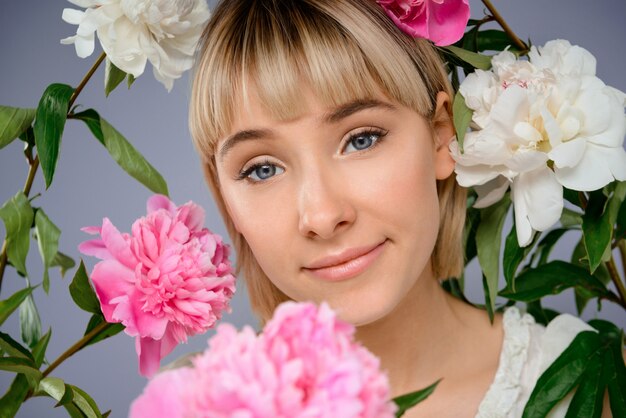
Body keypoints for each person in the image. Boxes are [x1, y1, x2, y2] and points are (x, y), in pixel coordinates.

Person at [187, 1, 592, 417]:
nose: (324, 217)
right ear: (223, 195)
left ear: (440, 137)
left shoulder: (588, 388)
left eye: (361, 139)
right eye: (263, 169)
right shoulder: (196, 404)